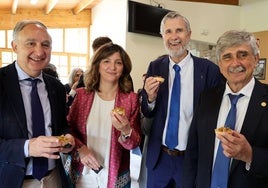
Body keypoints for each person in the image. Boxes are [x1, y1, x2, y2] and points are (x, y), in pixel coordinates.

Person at [140, 11, 222, 187]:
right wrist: (150, 98)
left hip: (190, 160)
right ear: (162, 36)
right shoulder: (156, 66)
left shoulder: (208, 70)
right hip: (159, 159)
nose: (174, 36)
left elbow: (216, 115)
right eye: (168, 31)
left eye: (179, 30)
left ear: (189, 35)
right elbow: (147, 111)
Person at [182, 30, 268, 188]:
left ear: (255, 59)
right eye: (227, 57)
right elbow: (193, 151)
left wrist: (250, 155)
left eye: (242, 55)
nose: (235, 63)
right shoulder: (207, 98)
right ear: (220, 64)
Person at [0, 20, 75, 188]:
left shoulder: (55, 86)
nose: (39, 51)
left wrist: (67, 137)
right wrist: (26, 147)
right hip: (11, 180)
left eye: (45, 45)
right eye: (31, 43)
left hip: (53, 178)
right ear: (15, 46)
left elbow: (62, 125)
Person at [67, 43, 141, 187]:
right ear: (97, 65)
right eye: (106, 61)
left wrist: (126, 130)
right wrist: (81, 149)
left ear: (124, 68)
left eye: (118, 63)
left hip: (115, 175)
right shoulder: (82, 95)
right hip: (83, 175)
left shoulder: (131, 99)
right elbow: (68, 130)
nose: (112, 67)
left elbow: (134, 143)